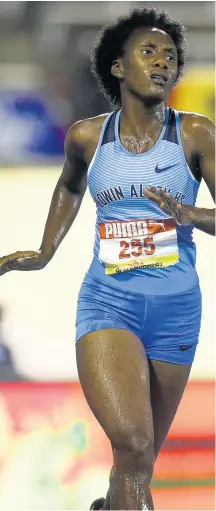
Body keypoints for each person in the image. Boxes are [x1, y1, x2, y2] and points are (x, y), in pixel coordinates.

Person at [0, 7, 215, 510]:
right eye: (149, 52)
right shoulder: (87, 137)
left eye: (171, 56)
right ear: (118, 67)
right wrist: (45, 251)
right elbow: (70, 186)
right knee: (133, 443)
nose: (163, 62)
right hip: (108, 303)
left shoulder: (196, 134)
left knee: (137, 463)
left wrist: (188, 212)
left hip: (176, 311)